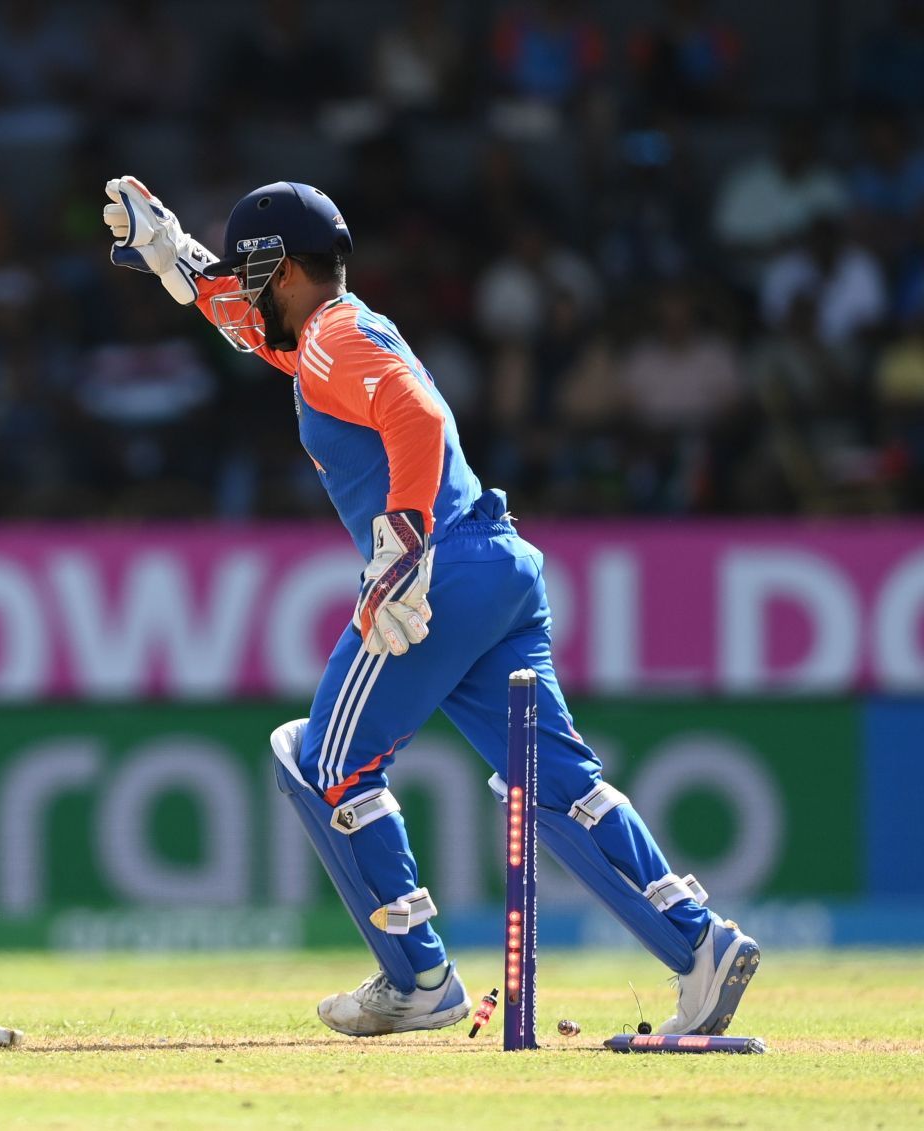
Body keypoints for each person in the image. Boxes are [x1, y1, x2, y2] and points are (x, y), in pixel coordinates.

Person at [101, 176, 761, 1037]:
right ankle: (700, 944)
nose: (246, 292)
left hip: (437, 570)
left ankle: (417, 976)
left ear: (284, 269)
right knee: (556, 785)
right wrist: (173, 256)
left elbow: (413, 414)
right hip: (497, 566)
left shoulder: (335, 335)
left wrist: (403, 541)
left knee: (319, 760)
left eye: (252, 273)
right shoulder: (331, 331)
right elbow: (250, 325)